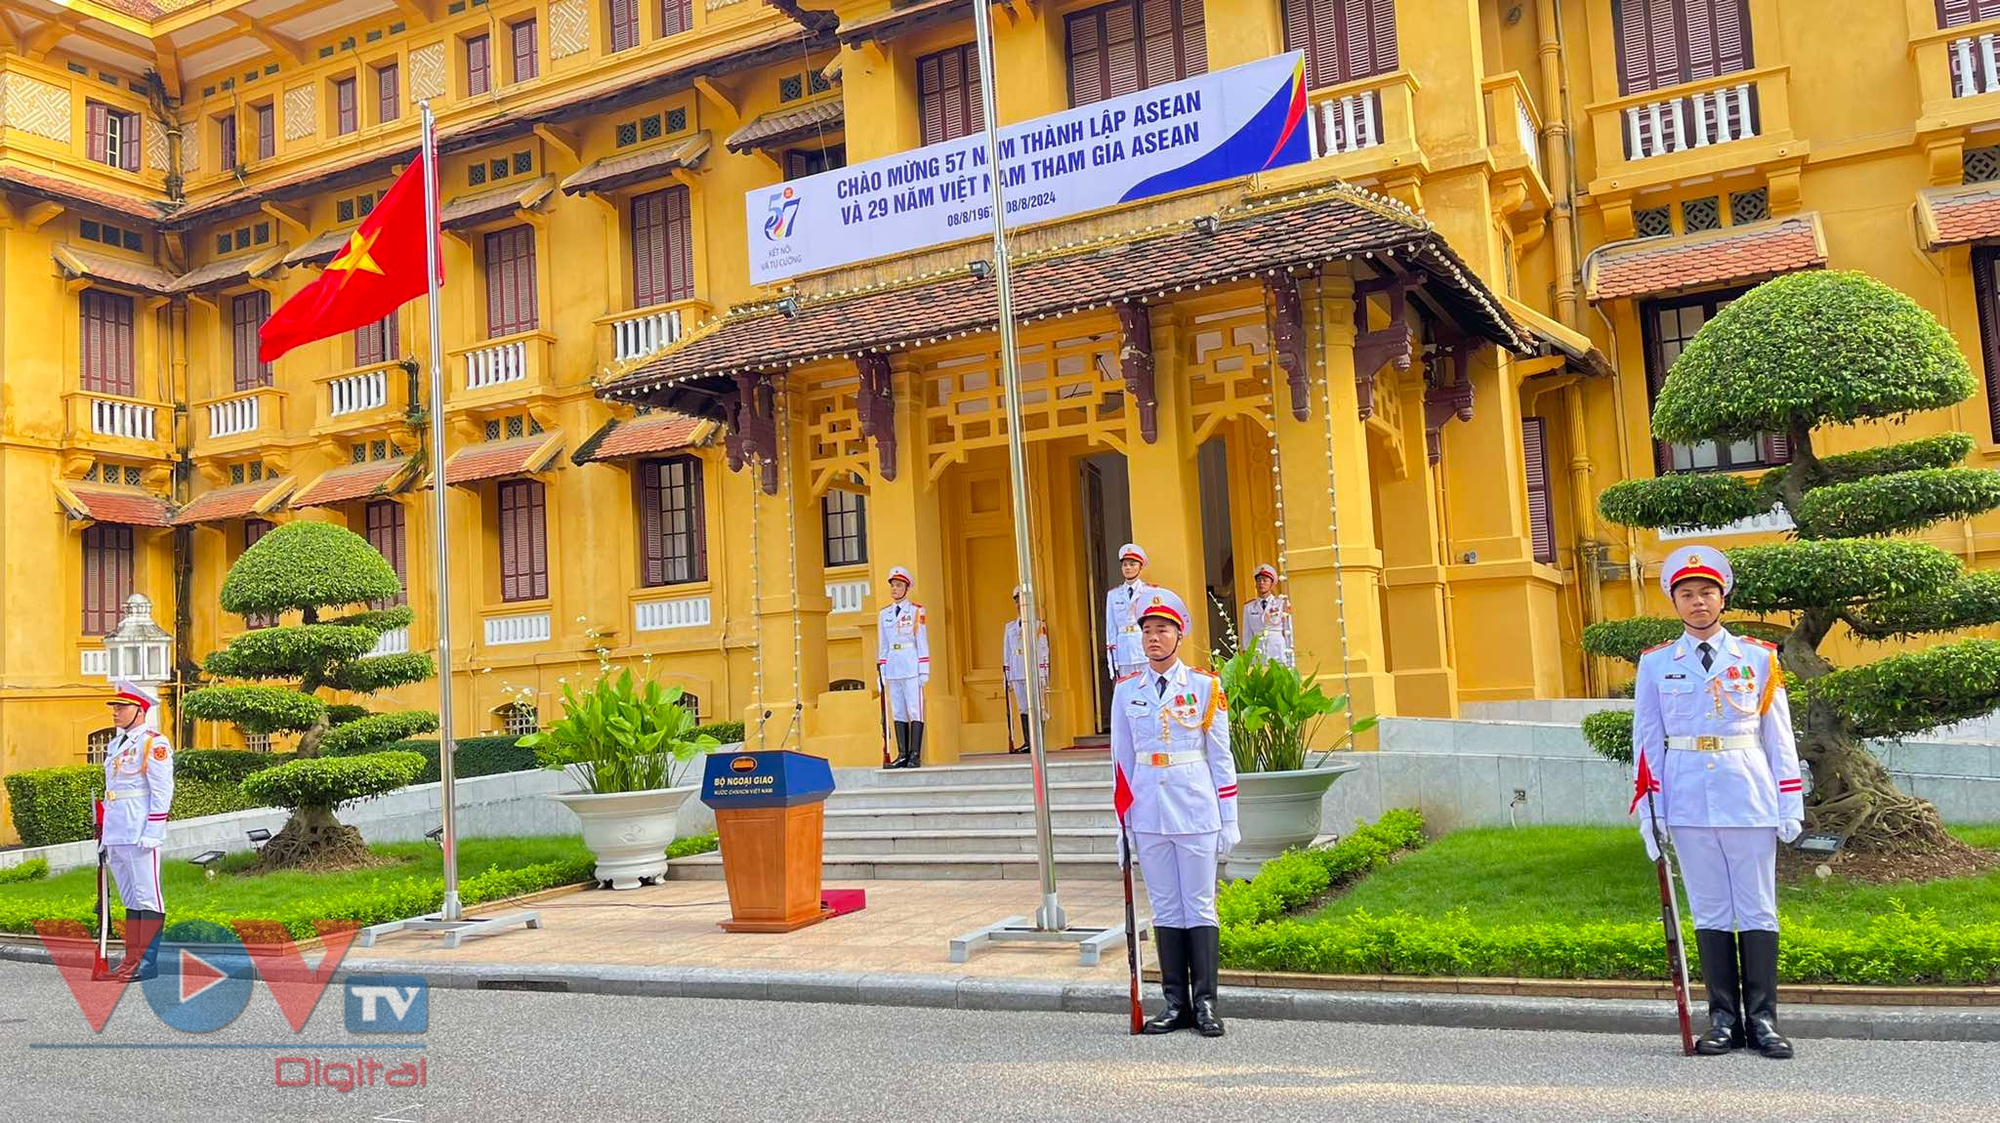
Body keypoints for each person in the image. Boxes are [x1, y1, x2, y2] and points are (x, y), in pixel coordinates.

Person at [1633, 545, 1802, 1060]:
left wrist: (1789, 800)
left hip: (1748, 792)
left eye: (1706, 592)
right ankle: (1724, 1020)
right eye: (1687, 594)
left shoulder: (1758, 657)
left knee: (1756, 907)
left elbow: (1779, 736)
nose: (1698, 601)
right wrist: (1649, 810)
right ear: (1674, 602)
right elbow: (1647, 738)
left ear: (1722, 597)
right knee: (1709, 909)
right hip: (1686, 799)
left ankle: (1765, 1021)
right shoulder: (1657, 663)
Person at [1110, 587, 1238, 1038]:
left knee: (1199, 905)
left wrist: (1230, 816)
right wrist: (1122, 823)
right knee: (1164, 906)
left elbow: (1220, 756)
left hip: (1195, 807)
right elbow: (1122, 762)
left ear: (1179, 634)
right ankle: (1174, 1002)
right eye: (1147, 631)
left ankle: (1205, 1003)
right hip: (1147, 811)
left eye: (1162, 629)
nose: (1153, 638)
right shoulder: (1127, 692)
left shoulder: (1205, 686)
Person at [97, 678, 174, 981]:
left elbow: (162, 790)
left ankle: (148, 962)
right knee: (130, 898)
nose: (115, 711)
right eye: (114, 706)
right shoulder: (116, 744)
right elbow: (112, 791)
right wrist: (104, 834)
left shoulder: (154, 743)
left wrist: (154, 832)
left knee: (147, 896)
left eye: (121, 706)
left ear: (140, 710)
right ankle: (131, 959)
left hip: (141, 832)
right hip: (117, 833)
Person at [877, 566, 930, 769]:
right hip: (893, 666)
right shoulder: (884, 614)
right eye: (892, 586)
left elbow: (921, 641)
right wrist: (881, 671)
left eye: (899, 586)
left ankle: (915, 755)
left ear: (906, 588)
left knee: (914, 710)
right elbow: (883, 645)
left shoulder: (916, 611)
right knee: (898, 710)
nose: (895, 589)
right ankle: (902, 754)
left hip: (910, 665)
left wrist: (924, 669)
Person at [1002, 585, 1049, 755]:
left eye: (1023, 600)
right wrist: (1007, 676)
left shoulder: (1038, 625)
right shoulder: (1010, 627)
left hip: (1033, 670)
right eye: (1017, 601)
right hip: (1017, 670)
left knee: (1036, 706)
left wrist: (1044, 673)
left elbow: (1043, 649)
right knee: (1023, 707)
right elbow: (1006, 652)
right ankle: (1028, 741)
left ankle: (1038, 742)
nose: (1020, 604)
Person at [1103, 543, 1153, 682]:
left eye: (1132, 564)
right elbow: (1111, 628)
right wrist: (1112, 658)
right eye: (1125, 565)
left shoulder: (1149, 591)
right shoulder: (1113, 595)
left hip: (1143, 647)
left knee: (1147, 685)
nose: (1128, 568)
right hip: (1124, 650)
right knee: (1127, 689)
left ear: (1140, 567)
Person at [1239, 564, 1294, 667]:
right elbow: (1247, 634)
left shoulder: (1281, 604)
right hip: (1258, 649)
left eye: (1265, 580)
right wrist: (1248, 655)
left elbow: (1288, 630)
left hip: (1277, 648)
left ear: (1272, 584)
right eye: (1259, 580)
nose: (1261, 583)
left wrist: (1290, 652)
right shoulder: (1249, 607)